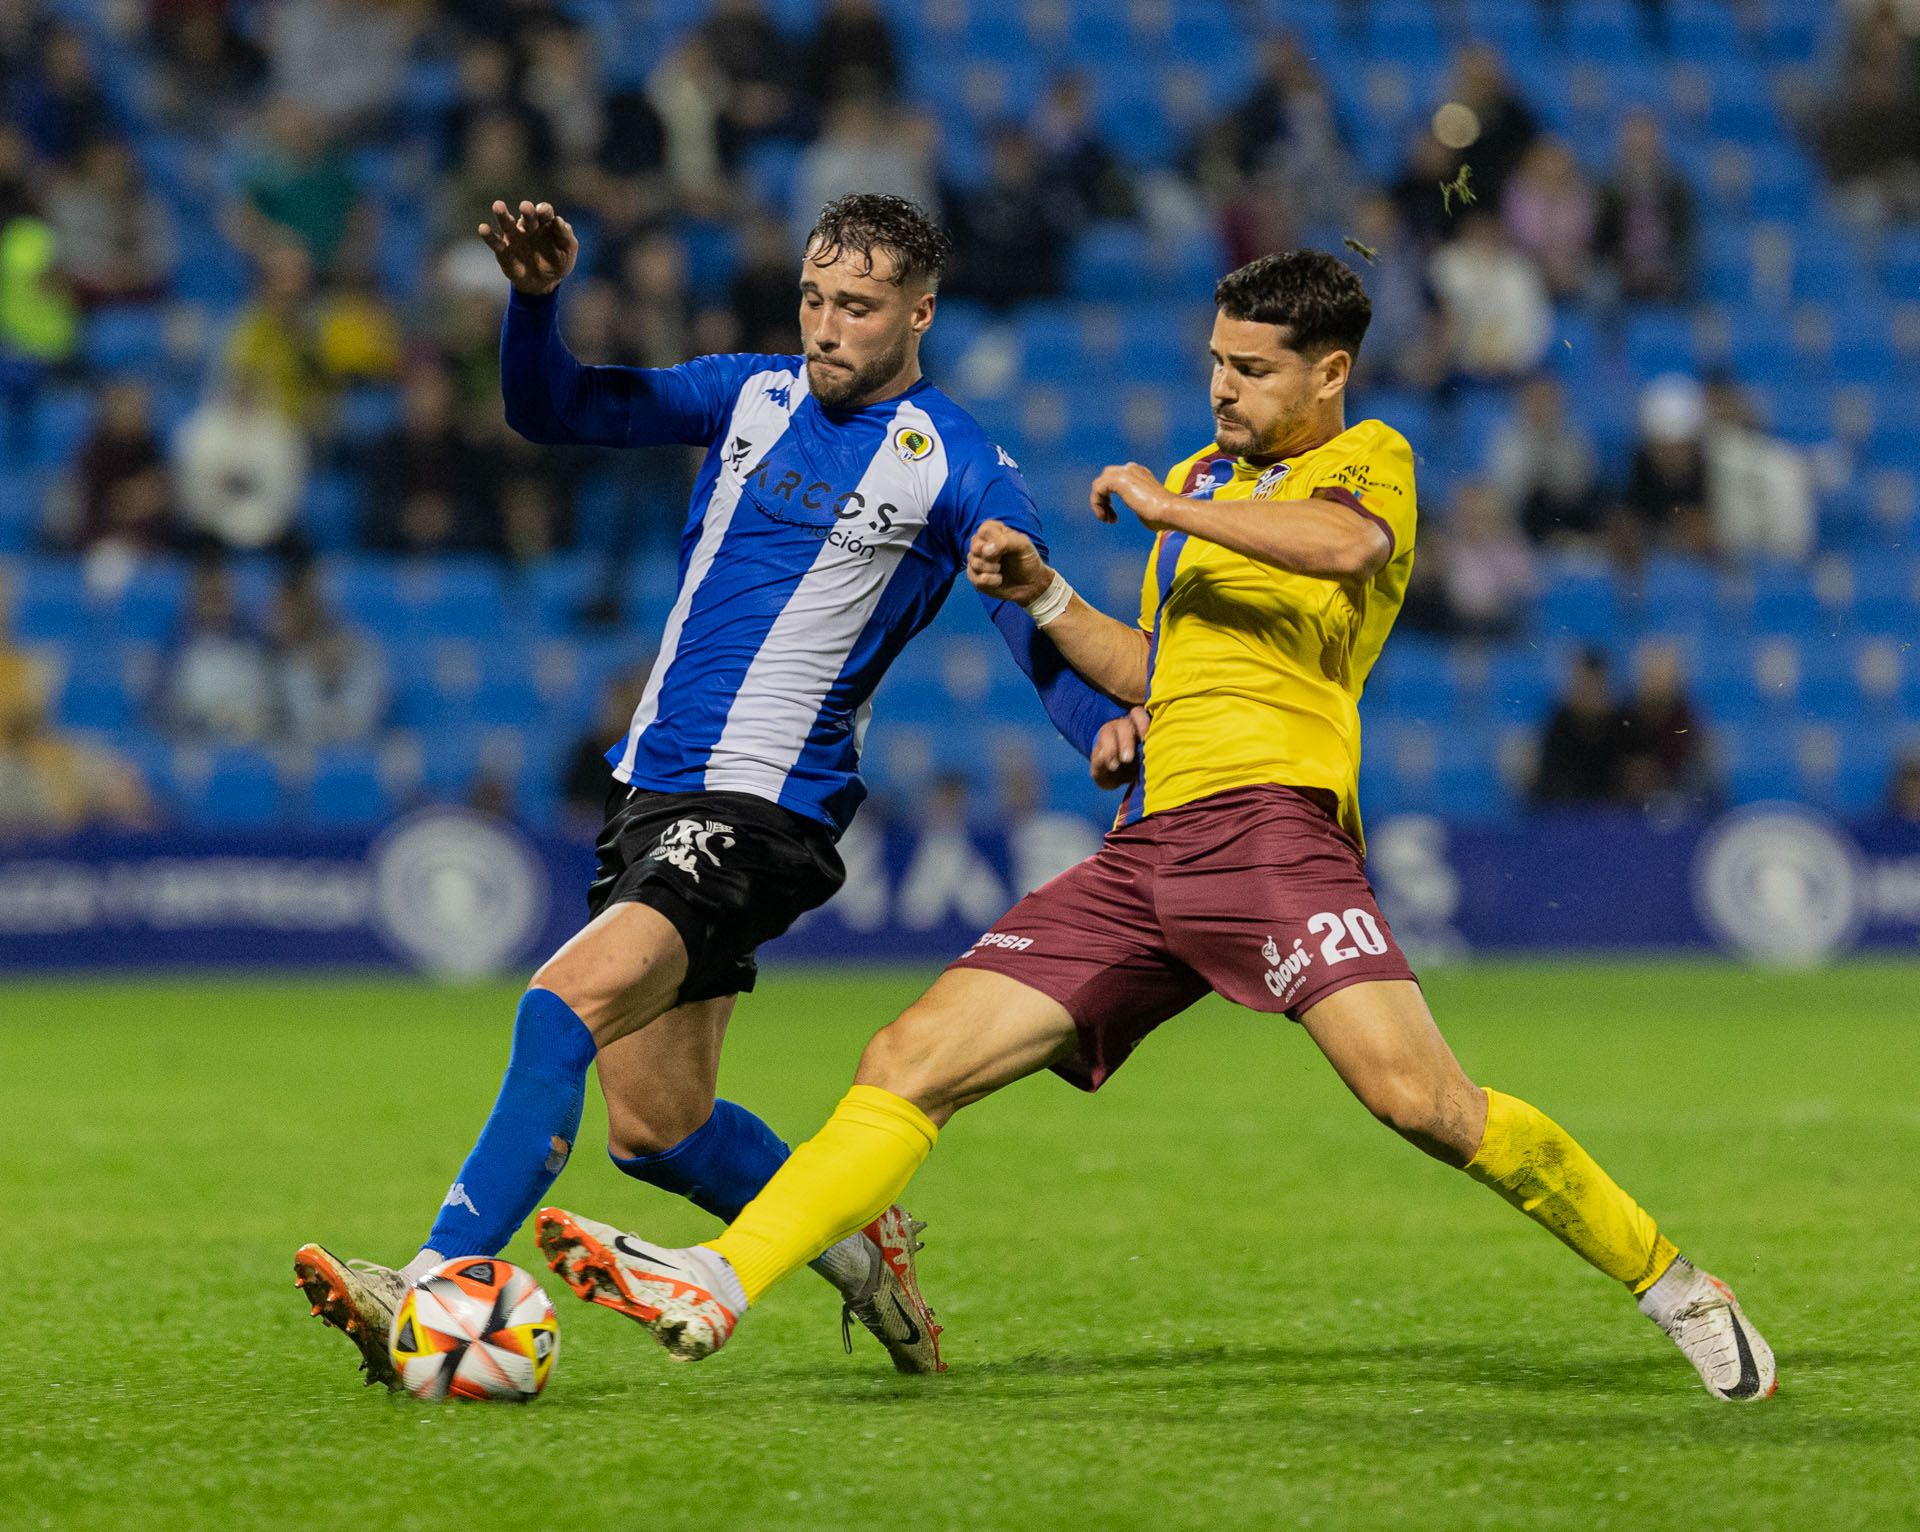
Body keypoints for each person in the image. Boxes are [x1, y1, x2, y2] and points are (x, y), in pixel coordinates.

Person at [540, 251, 1778, 1404]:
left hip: (1273, 838)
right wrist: (1046, 593)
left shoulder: (1366, 462)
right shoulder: (1196, 479)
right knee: (905, 1058)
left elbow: (1344, 549)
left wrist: (1169, 512)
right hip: (1147, 850)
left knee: (1420, 1101)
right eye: (1216, 361)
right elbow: (1152, 670)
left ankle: (1674, 1278)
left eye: (1252, 369)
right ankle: (720, 1277)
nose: (1221, 388)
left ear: (1329, 374)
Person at [292, 193, 1124, 1386]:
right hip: (654, 789)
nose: (827, 325)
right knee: (658, 1127)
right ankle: (861, 1252)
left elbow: (1030, 616)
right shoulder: (751, 391)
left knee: (560, 1000)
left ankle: (428, 1283)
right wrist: (536, 304)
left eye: (859, 306)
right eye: (814, 298)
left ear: (920, 312)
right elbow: (554, 406)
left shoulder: (961, 466)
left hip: (764, 807)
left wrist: (1105, 727)